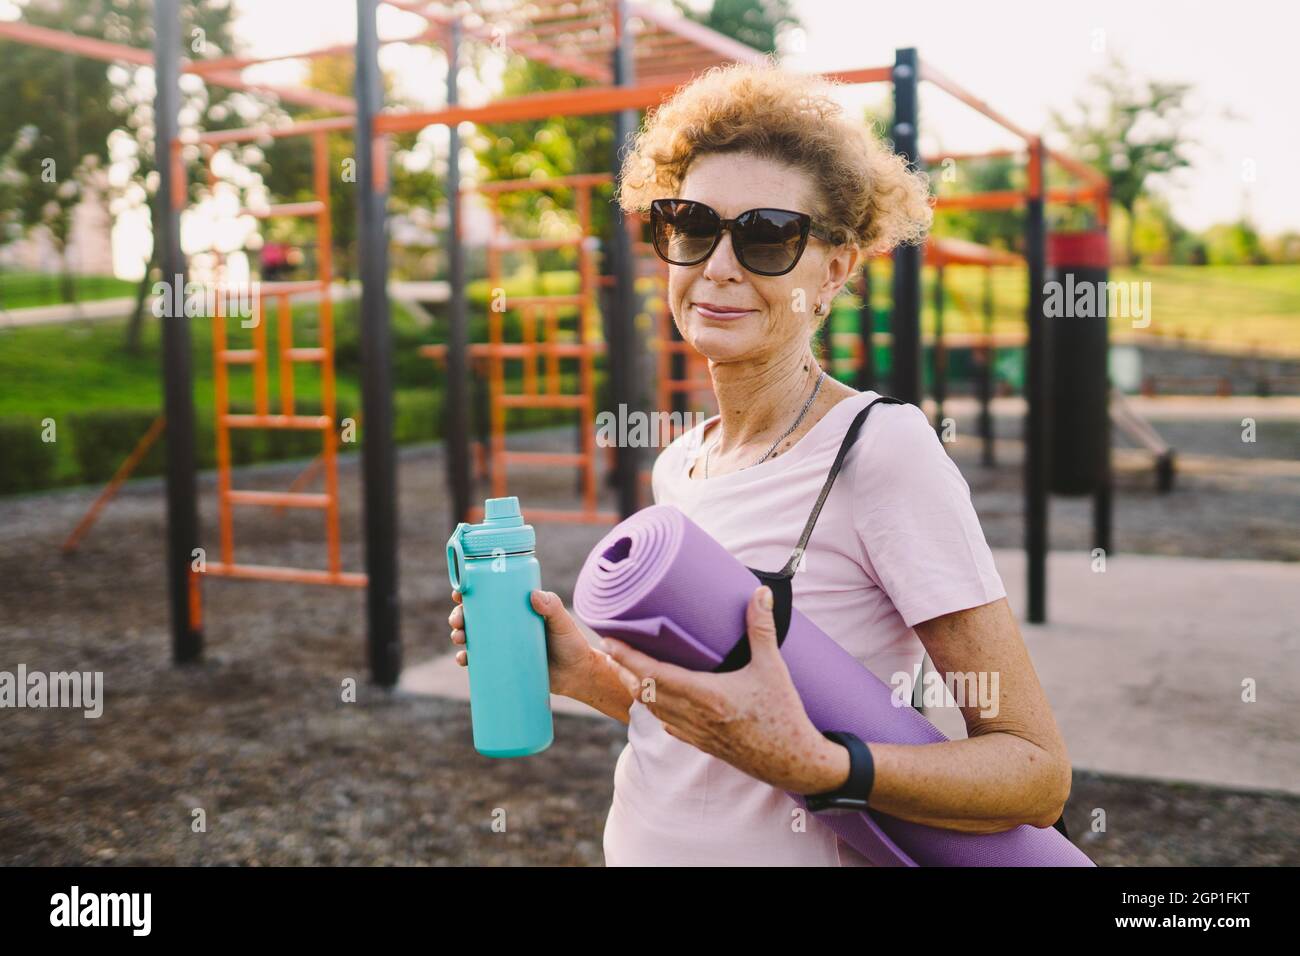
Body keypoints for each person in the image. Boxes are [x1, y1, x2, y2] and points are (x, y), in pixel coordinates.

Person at [449, 59, 1072, 866]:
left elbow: (1034, 773)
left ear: (837, 268)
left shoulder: (880, 451)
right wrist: (583, 674)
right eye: (692, 226)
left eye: (769, 236)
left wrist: (823, 768)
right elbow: (704, 731)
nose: (718, 267)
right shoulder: (681, 465)